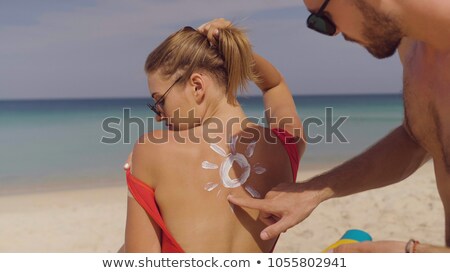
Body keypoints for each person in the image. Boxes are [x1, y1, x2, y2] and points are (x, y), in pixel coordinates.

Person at [226, 0, 450, 253]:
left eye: (320, 19)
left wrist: (409, 253)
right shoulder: (413, 48)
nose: (333, 34)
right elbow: (417, 138)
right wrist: (314, 191)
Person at [119, 20, 305, 252]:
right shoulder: (287, 144)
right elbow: (274, 85)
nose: (159, 115)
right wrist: (232, 50)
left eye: (160, 101)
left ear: (197, 86)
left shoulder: (150, 150)